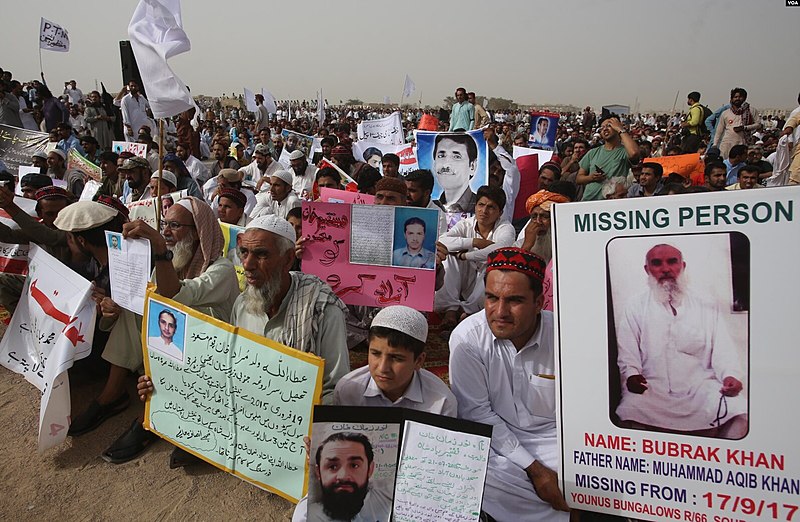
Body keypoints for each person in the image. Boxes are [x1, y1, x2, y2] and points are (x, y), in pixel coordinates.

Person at [449, 248, 570, 521]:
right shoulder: (467, 339)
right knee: (468, 470)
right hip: (498, 445)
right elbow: (477, 414)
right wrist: (535, 470)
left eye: (514, 300)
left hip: (558, 442)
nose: (499, 312)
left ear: (539, 302)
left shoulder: (566, 333)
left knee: (592, 473)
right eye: (491, 298)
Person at [615, 244, 747, 439]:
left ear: (682, 265)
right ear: (647, 269)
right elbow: (628, 351)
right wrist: (632, 375)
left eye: (672, 262)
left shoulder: (706, 303)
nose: (666, 269)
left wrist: (730, 375)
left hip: (700, 386)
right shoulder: (635, 305)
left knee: (738, 408)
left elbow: (723, 348)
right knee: (629, 408)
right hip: (654, 387)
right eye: (657, 263)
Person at [230, 215, 350, 402]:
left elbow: (335, 389)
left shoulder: (322, 310)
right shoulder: (242, 304)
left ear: (287, 259)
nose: (247, 264)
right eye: (244, 252)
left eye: (261, 254)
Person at [436, 185, 515, 327]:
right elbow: (442, 241)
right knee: (448, 257)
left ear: (500, 212)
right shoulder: (465, 224)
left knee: (494, 264)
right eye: (481, 205)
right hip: (464, 278)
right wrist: (475, 242)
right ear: (475, 206)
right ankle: (450, 310)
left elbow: (500, 250)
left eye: (491, 207)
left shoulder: (505, 228)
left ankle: (468, 313)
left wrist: (466, 256)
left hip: (482, 283)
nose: (484, 211)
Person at [308, 432, 391, 521]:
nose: (343, 476)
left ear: (370, 469)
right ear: (318, 472)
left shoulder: (387, 496)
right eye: (333, 467)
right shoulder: (308, 514)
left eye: (354, 465)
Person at [576, 116, 639, 201]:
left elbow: (634, 153)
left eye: (609, 126)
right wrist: (591, 177)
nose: (605, 129)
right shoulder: (593, 152)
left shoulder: (624, 151)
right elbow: (579, 178)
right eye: (602, 128)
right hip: (589, 201)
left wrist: (621, 130)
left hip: (612, 203)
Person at [433, 132, 480, 213]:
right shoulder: (432, 207)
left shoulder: (481, 207)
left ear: (472, 166)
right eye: (441, 156)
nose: (446, 165)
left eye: (456, 157)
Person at [713, 88, 761, 159]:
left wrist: (745, 128)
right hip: (727, 143)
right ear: (732, 99)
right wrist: (715, 144)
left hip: (743, 142)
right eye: (735, 97)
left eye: (740, 97)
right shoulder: (726, 113)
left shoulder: (751, 111)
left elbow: (758, 124)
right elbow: (719, 130)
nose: (737, 99)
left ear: (744, 98)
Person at [404, 169, 446, 235]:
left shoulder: (439, 217)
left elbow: (439, 243)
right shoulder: (401, 208)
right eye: (405, 189)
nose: (407, 194)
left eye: (412, 191)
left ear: (426, 193)